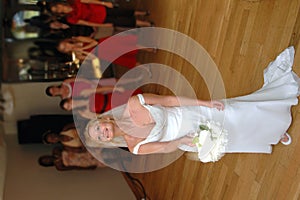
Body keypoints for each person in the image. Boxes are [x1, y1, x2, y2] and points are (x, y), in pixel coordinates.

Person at [84, 47, 300, 163]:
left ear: (103, 118)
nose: (103, 133)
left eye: (98, 129)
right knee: (233, 136)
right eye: (101, 137)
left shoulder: (133, 103)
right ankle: (271, 135)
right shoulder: (135, 147)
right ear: (108, 141)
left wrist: (204, 102)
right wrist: (184, 141)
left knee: (235, 112)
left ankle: (275, 117)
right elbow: (164, 147)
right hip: (186, 136)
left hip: (191, 112)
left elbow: (169, 101)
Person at [56, 35, 156, 68]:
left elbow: (94, 42)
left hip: (103, 44)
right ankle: (146, 67)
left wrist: (81, 49)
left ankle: (148, 49)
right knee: (124, 61)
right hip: (100, 54)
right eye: (64, 49)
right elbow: (92, 58)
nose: (67, 47)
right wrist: (83, 52)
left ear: (66, 41)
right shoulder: (76, 56)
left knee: (127, 46)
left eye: (65, 45)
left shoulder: (77, 39)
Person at [48, 1, 153, 28]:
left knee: (123, 11)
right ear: (58, 13)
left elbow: (88, 1)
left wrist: (104, 3)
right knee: (123, 22)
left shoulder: (73, 1)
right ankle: (145, 23)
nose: (59, 8)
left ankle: (142, 13)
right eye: (56, 10)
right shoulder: (70, 18)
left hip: (100, 8)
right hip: (98, 19)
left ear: (59, 4)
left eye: (57, 6)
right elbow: (85, 23)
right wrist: (102, 26)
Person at [60, 88, 143, 119]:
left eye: (68, 103)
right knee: (136, 107)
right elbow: (100, 116)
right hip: (110, 108)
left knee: (137, 96)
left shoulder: (83, 93)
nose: (71, 105)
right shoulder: (82, 112)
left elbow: (101, 90)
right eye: (69, 107)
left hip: (111, 97)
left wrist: (115, 88)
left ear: (69, 99)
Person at [38, 146, 106, 171]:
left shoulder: (55, 151)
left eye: (45, 158)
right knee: (105, 161)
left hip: (81, 153)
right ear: (47, 164)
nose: (47, 160)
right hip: (83, 163)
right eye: (45, 162)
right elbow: (73, 168)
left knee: (103, 152)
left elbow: (66, 147)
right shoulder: (59, 166)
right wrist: (87, 168)